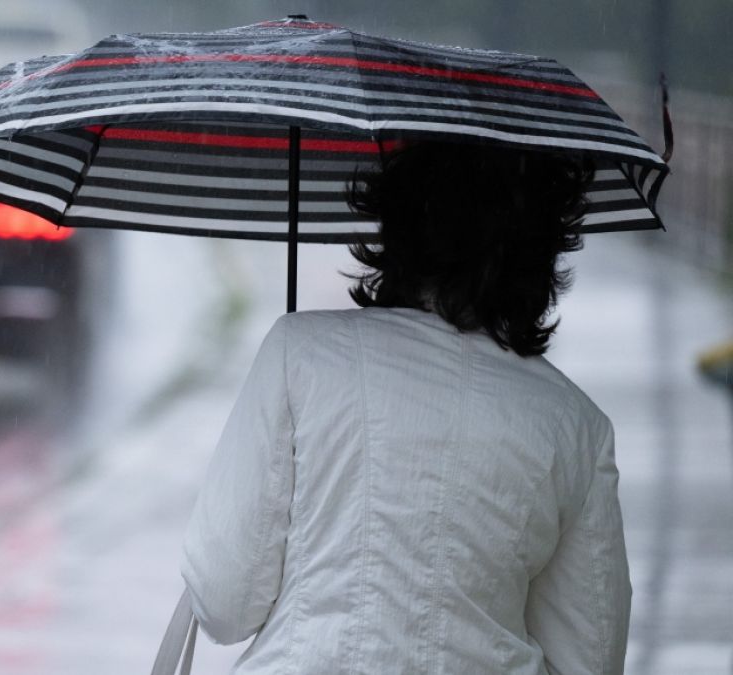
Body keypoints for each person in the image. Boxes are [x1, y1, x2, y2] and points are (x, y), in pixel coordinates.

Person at [181, 141, 632, 674]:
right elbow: (589, 658)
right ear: (540, 252)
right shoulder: (575, 425)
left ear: (398, 227)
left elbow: (224, 604)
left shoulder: (299, 353)